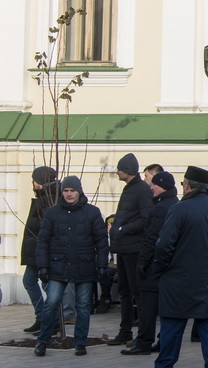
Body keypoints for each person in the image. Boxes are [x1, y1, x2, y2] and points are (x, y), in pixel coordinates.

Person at [150, 166, 208, 368]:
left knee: (172, 326)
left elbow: (164, 245)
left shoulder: (179, 209)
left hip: (177, 279)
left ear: (187, 185)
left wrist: (160, 271)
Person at [33, 176, 107, 357]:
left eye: (72, 191)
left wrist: (102, 264)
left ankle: (80, 343)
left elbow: (101, 241)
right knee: (51, 303)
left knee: (82, 306)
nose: (69, 194)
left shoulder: (92, 212)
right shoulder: (52, 213)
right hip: (58, 266)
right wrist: (42, 266)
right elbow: (43, 241)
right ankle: (42, 341)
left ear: (79, 191)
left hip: (84, 265)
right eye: (66, 191)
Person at [124, 170, 179, 355]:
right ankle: (163, 341)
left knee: (147, 305)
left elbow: (151, 239)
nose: (151, 187)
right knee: (166, 307)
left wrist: (142, 263)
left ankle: (143, 342)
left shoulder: (160, 208)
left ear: (163, 186)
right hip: (170, 266)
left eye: (155, 184)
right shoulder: (176, 205)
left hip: (154, 265)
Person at [108, 152, 153, 344]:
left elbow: (146, 218)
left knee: (137, 293)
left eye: (119, 168)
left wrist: (122, 229)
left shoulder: (141, 190)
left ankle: (142, 335)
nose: (117, 172)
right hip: (124, 248)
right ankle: (125, 332)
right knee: (125, 292)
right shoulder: (130, 188)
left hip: (134, 249)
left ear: (127, 170)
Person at [20, 166, 58, 333]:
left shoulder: (48, 201)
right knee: (30, 281)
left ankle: (50, 320)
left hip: (41, 251)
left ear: (41, 182)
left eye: (35, 180)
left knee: (45, 284)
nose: (33, 183)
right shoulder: (44, 198)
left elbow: (46, 230)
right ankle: (43, 318)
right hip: (36, 251)